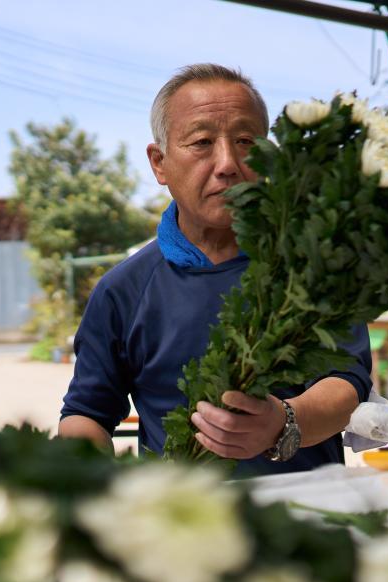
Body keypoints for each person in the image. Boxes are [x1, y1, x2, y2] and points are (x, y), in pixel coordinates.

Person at [58, 64, 372, 475]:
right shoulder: (123, 290)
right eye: (202, 142)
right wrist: (94, 484)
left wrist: (283, 423)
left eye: (245, 141)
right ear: (159, 163)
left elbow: (346, 383)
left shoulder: (313, 269)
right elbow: (86, 414)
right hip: (181, 509)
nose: (227, 163)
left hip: (307, 505)